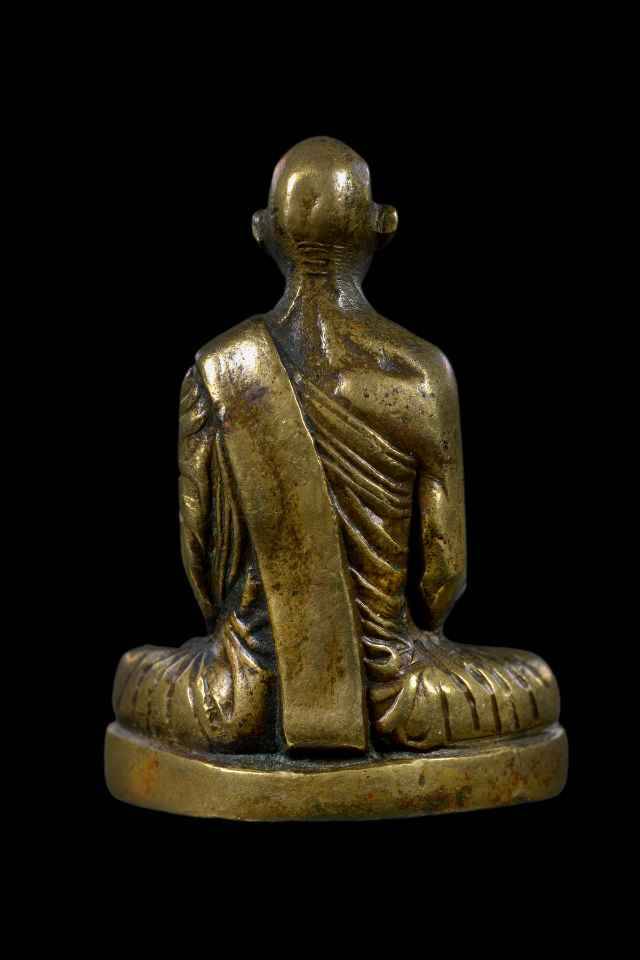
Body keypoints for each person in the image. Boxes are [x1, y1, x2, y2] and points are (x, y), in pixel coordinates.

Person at [114, 137, 559, 756]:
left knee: (133, 674)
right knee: (533, 686)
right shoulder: (420, 373)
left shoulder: (216, 370)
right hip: (395, 693)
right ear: (382, 225)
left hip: (239, 696)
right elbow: (443, 579)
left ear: (263, 230)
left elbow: (202, 573)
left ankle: (271, 716)